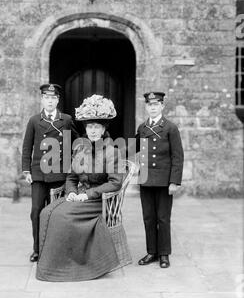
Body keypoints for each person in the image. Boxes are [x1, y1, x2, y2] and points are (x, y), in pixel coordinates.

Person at [36, 95, 124, 282]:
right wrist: (72, 192)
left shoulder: (112, 152)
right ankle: (50, 262)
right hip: (78, 196)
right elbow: (71, 177)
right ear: (85, 129)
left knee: (62, 217)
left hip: (97, 200)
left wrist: (87, 195)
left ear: (103, 129)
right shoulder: (80, 149)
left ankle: (66, 266)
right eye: (89, 127)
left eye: (96, 127)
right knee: (45, 212)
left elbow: (115, 182)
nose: (92, 131)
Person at [22, 83, 79, 263]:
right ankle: (37, 249)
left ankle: (55, 248)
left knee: (56, 212)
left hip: (59, 173)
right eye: (47, 97)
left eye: (53, 98)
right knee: (36, 211)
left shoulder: (66, 120)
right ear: (42, 99)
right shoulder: (34, 120)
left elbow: (77, 142)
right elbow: (27, 146)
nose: (50, 101)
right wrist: (26, 170)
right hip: (38, 173)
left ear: (57, 100)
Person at [135, 92, 184, 268]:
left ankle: (164, 254)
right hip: (146, 179)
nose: (153, 108)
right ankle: (151, 252)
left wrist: (174, 181)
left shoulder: (170, 128)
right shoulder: (142, 128)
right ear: (146, 107)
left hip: (164, 181)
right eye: (150, 105)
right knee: (148, 217)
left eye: (156, 104)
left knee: (163, 218)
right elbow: (134, 150)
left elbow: (177, 157)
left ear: (162, 106)